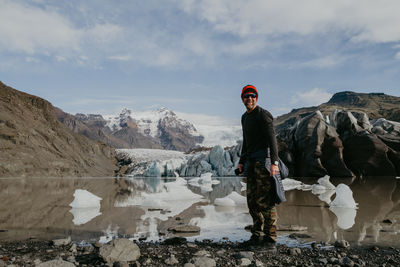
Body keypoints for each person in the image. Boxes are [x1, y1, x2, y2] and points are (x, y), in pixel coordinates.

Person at [237, 84, 280, 249]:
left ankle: (271, 239)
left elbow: (272, 140)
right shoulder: (244, 117)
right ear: (242, 99)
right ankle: (257, 236)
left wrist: (274, 163)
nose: (250, 98)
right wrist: (241, 161)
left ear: (257, 97)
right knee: (252, 201)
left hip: (264, 163)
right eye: (246, 96)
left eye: (253, 95)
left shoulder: (263, 115)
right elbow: (246, 142)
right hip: (251, 163)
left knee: (265, 201)